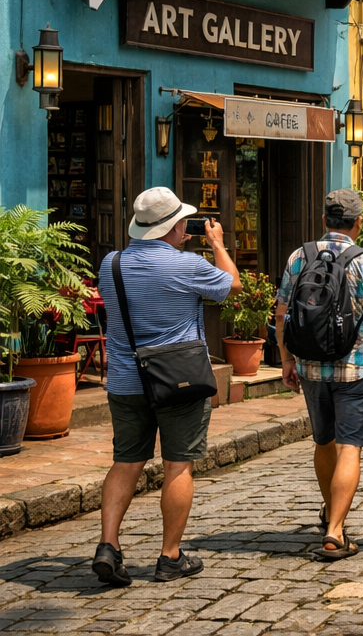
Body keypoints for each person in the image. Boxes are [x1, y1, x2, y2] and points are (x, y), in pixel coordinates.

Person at [94, 188, 240, 587]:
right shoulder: (189, 265)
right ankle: (170, 556)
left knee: (126, 461)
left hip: (125, 381)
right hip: (179, 381)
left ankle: (108, 545)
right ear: (176, 226)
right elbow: (232, 284)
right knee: (178, 465)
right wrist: (217, 244)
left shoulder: (112, 264)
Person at [274, 189, 363, 561]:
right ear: (359, 222)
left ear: (325, 219)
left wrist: (285, 359)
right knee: (350, 446)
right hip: (357, 367)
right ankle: (334, 531)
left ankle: (332, 512)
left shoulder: (300, 256)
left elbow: (281, 312)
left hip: (311, 366)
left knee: (323, 442)